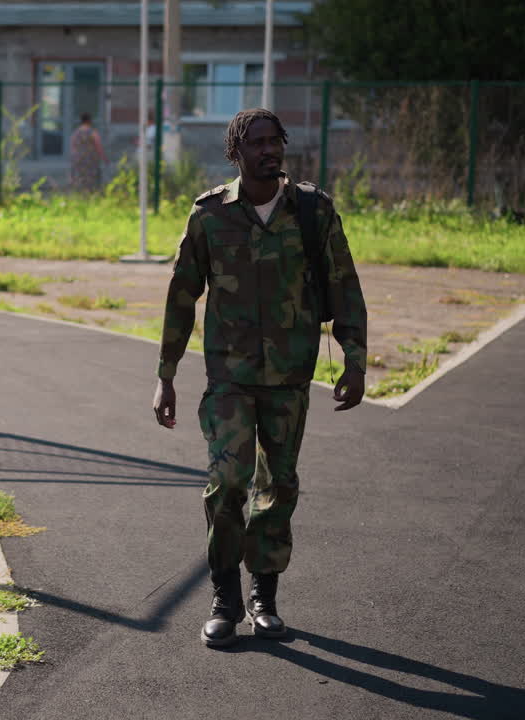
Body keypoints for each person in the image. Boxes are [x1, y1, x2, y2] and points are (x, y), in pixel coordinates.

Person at [151, 108, 368, 648]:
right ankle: (225, 598)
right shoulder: (210, 215)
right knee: (228, 483)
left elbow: (344, 284)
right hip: (229, 375)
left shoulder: (313, 211)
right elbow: (181, 297)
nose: (270, 150)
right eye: (258, 143)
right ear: (236, 153)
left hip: (290, 376)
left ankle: (263, 598)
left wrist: (355, 359)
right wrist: (166, 375)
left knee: (279, 486)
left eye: (276, 141)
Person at [69, 112, 107, 193]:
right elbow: (98, 146)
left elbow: (73, 147)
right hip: (90, 160)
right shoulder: (92, 132)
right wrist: (104, 158)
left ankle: (81, 194)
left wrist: (74, 159)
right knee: (92, 180)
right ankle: (91, 194)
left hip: (78, 160)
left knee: (80, 179)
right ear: (89, 120)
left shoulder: (76, 133)